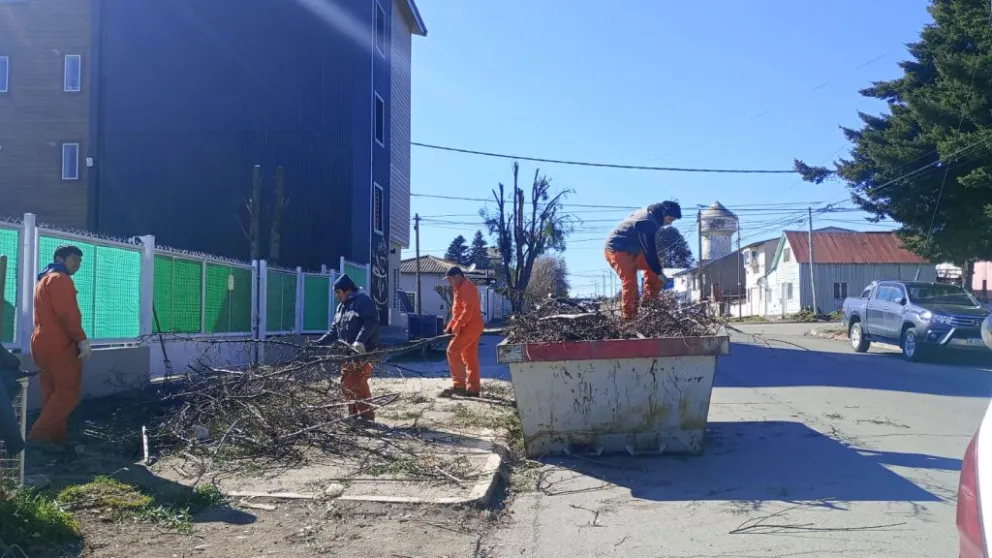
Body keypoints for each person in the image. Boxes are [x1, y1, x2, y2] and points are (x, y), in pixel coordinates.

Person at [27, 244, 91, 452]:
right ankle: (39, 436)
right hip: (59, 343)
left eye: (80, 261)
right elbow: (67, 314)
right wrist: (81, 340)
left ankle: (55, 439)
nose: (78, 264)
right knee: (67, 393)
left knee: (52, 392)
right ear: (60, 259)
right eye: (74, 259)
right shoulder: (60, 280)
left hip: (42, 341)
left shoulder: (43, 279)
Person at [316, 274, 379, 421]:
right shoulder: (341, 308)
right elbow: (333, 331)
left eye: (339, 292)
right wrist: (318, 343)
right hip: (347, 353)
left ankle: (367, 417)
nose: (337, 296)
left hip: (364, 352)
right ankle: (353, 413)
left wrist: (360, 341)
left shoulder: (364, 302)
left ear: (348, 290)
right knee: (346, 384)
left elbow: (371, 322)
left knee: (359, 382)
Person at [604, 201, 682, 319]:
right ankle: (629, 320)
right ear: (663, 214)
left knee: (655, 272)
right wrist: (659, 273)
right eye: (670, 219)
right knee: (630, 282)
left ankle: (649, 305)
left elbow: (649, 253)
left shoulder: (653, 215)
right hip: (616, 249)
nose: (669, 224)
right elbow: (649, 250)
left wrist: (657, 272)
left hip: (633, 250)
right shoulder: (647, 222)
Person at [442, 267, 484, 398]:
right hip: (469, 326)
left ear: (457, 276)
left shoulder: (467, 287)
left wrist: (457, 326)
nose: (449, 282)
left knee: (452, 351)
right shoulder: (459, 289)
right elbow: (458, 312)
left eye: (450, 279)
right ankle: (473, 389)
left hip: (470, 326)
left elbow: (468, 310)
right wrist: (450, 326)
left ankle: (459, 385)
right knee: (470, 358)